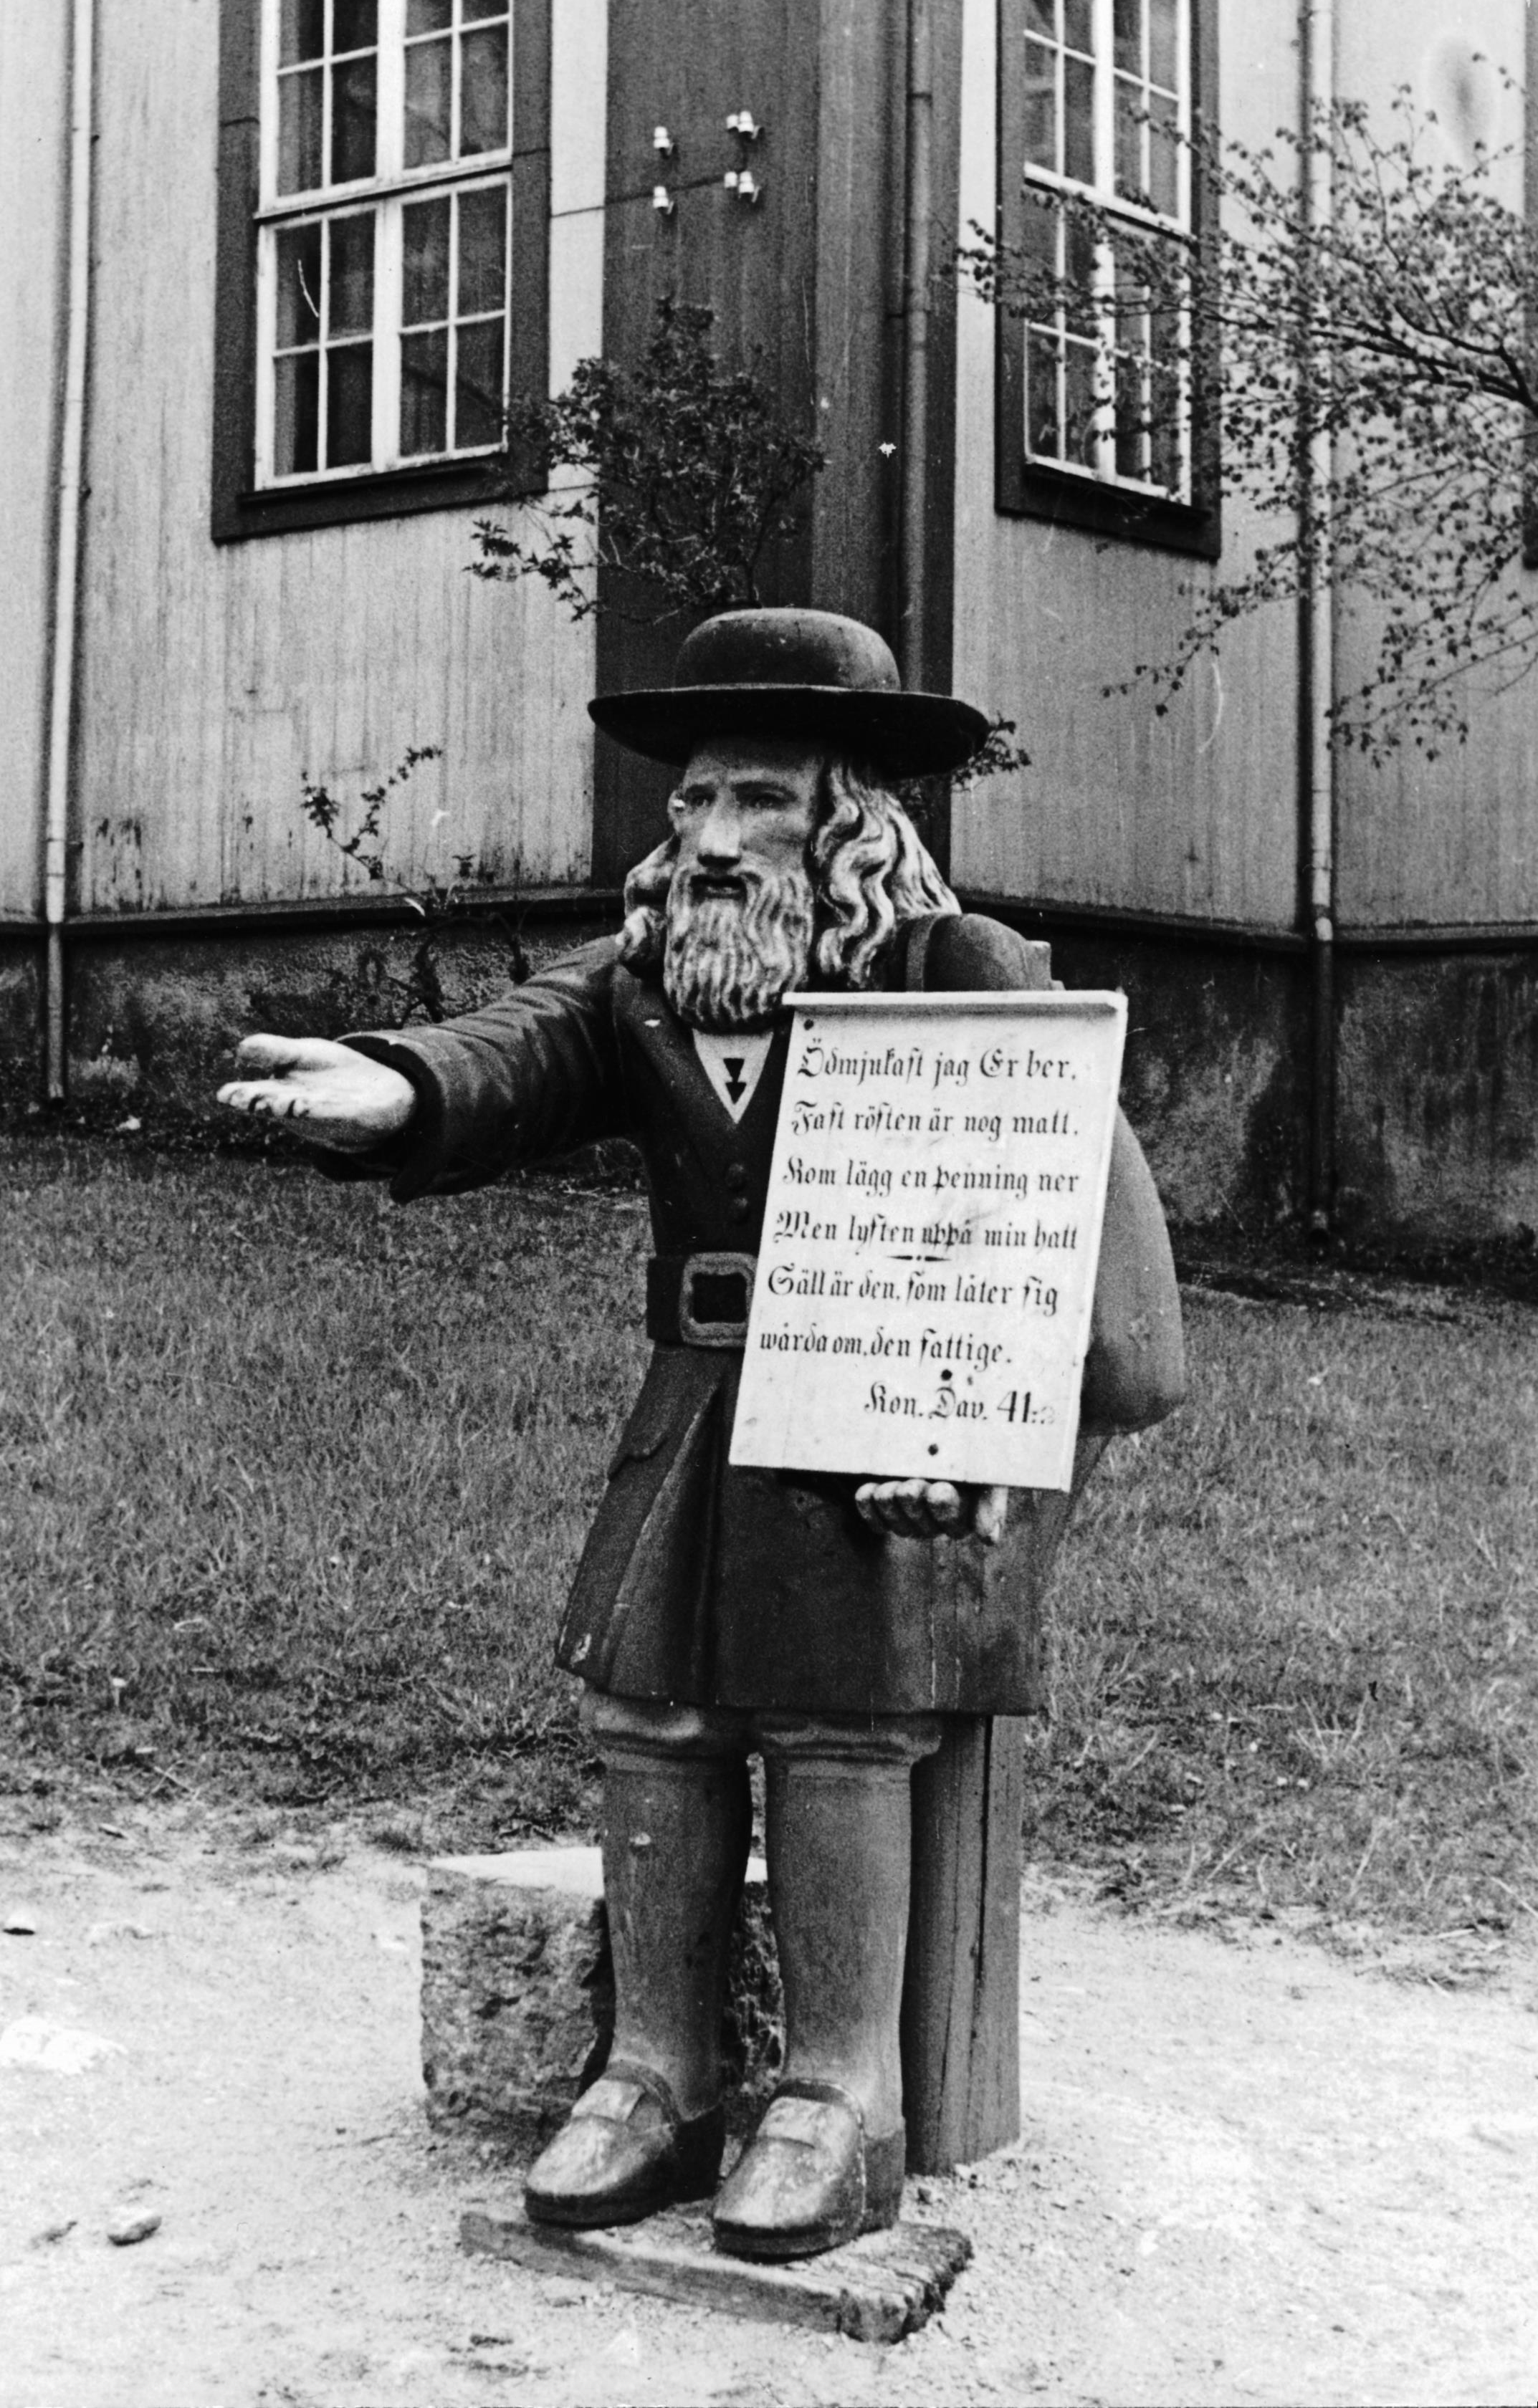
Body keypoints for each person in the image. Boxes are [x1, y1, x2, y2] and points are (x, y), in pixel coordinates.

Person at [219, 607, 1185, 2261]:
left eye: (758, 799)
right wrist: (403, 1085)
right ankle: (654, 2073)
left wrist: (985, 1434)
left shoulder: (951, 973)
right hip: (695, 1406)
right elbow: (519, 1043)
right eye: (692, 802)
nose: (712, 837)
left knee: (836, 1722)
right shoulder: (643, 977)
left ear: (850, 818)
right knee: (650, 1709)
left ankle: (838, 2094)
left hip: (881, 1396)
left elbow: (1056, 1217)